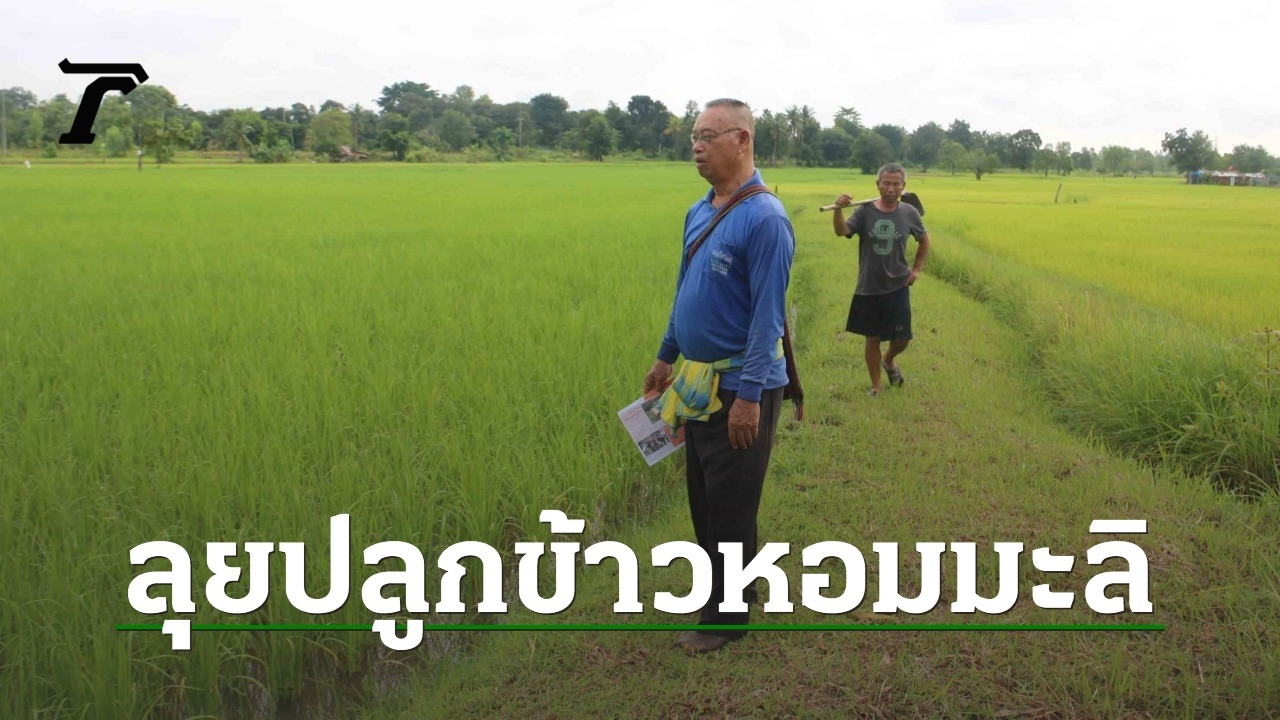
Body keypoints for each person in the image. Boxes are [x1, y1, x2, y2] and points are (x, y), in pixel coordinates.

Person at [643, 98, 796, 654]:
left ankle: (725, 618)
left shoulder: (766, 219)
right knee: (708, 497)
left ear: (743, 140)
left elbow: (767, 318)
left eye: (709, 135)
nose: (697, 146)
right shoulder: (699, 211)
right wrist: (665, 355)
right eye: (694, 136)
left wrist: (749, 398)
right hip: (697, 380)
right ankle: (734, 592)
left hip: (739, 385)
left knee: (730, 504)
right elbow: (684, 291)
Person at [830, 163, 930, 396]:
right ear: (878, 185)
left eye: (896, 184)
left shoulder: (909, 213)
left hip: (898, 284)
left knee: (902, 338)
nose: (891, 188)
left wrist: (916, 269)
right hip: (869, 285)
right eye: (886, 183)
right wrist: (838, 210)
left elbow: (924, 240)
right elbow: (842, 231)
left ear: (903, 186)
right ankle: (876, 386)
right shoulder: (865, 211)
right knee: (872, 338)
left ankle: (889, 359)